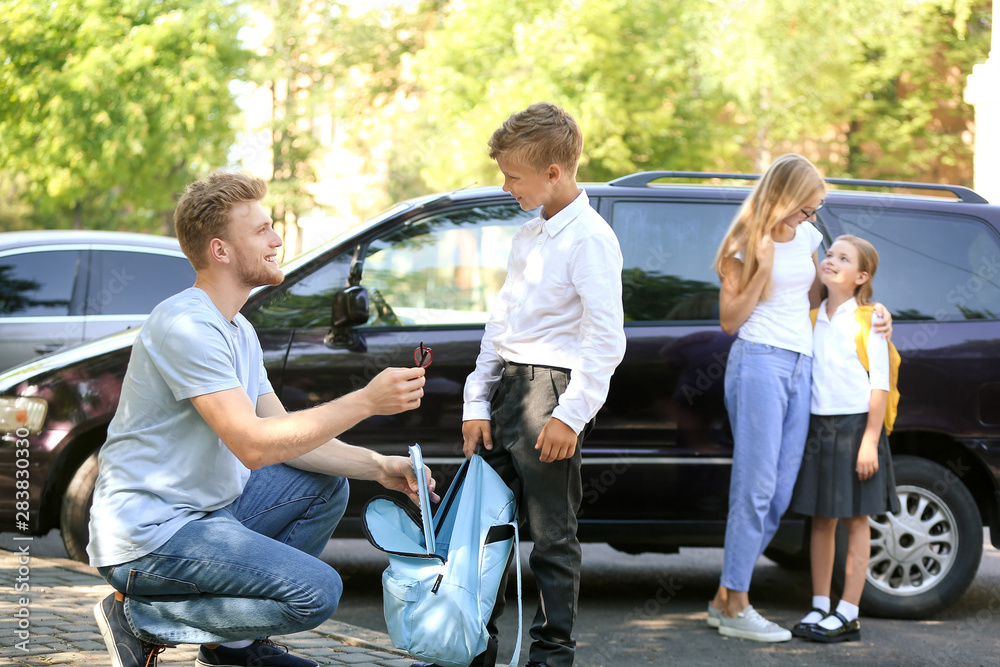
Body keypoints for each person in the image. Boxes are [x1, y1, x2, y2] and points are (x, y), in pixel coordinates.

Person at [87, 170, 433, 667]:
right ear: (221, 250)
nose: (277, 241)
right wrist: (364, 401)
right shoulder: (186, 326)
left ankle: (234, 647)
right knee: (316, 593)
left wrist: (380, 466)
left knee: (324, 484)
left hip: (205, 515)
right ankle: (141, 620)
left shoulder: (239, 330)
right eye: (262, 231)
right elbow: (252, 444)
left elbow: (287, 436)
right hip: (147, 539)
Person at [456, 102, 626, 667]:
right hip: (508, 391)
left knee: (551, 538)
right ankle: (475, 648)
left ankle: (551, 657)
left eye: (514, 176)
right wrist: (476, 400)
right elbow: (500, 324)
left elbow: (605, 341)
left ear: (554, 172)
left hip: (552, 396)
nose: (506, 186)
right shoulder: (529, 236)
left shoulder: (592, 241)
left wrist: (570, 415)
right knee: (484, 533)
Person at [709, 154, 891, 642]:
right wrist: (762, 268)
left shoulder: (809, 238)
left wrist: (872, 310)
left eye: (814, 211)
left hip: (802, 363)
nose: (810, 220)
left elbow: (823, 298)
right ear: (783, 198)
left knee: (781, 490)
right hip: (759, 361)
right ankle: (738, 605)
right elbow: (730, 321)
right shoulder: (742, 245)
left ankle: (723, 597)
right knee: (756, 487)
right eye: (804, 209)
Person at [788, 235, 900, 643]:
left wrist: (870, 440)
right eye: (830, 254)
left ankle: (849, 611)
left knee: (856, 520)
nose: (831, 260)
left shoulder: (869, 319)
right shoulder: (813, 317)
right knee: (821, 519)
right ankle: (820, 604)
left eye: (843, 258)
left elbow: (880, 386)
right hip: (820, 429)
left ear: (861, 276)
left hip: (857, 429)